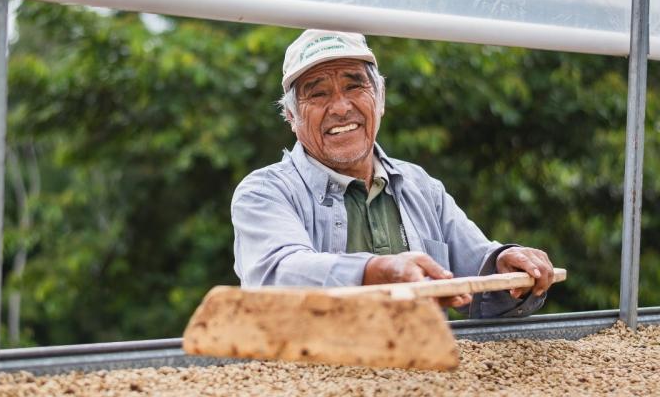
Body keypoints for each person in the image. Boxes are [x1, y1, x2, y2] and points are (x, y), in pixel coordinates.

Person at [231, 29, 556, 318]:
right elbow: (278, 276)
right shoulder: (264, 192)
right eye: (318, 93)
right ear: (291, 115)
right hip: (307, 381)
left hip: (420, 379)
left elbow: (481, 283)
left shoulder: (421, 186)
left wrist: (510, 264)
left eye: (354, 85)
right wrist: (380, 271)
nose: (341, 107)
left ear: (380, 99)